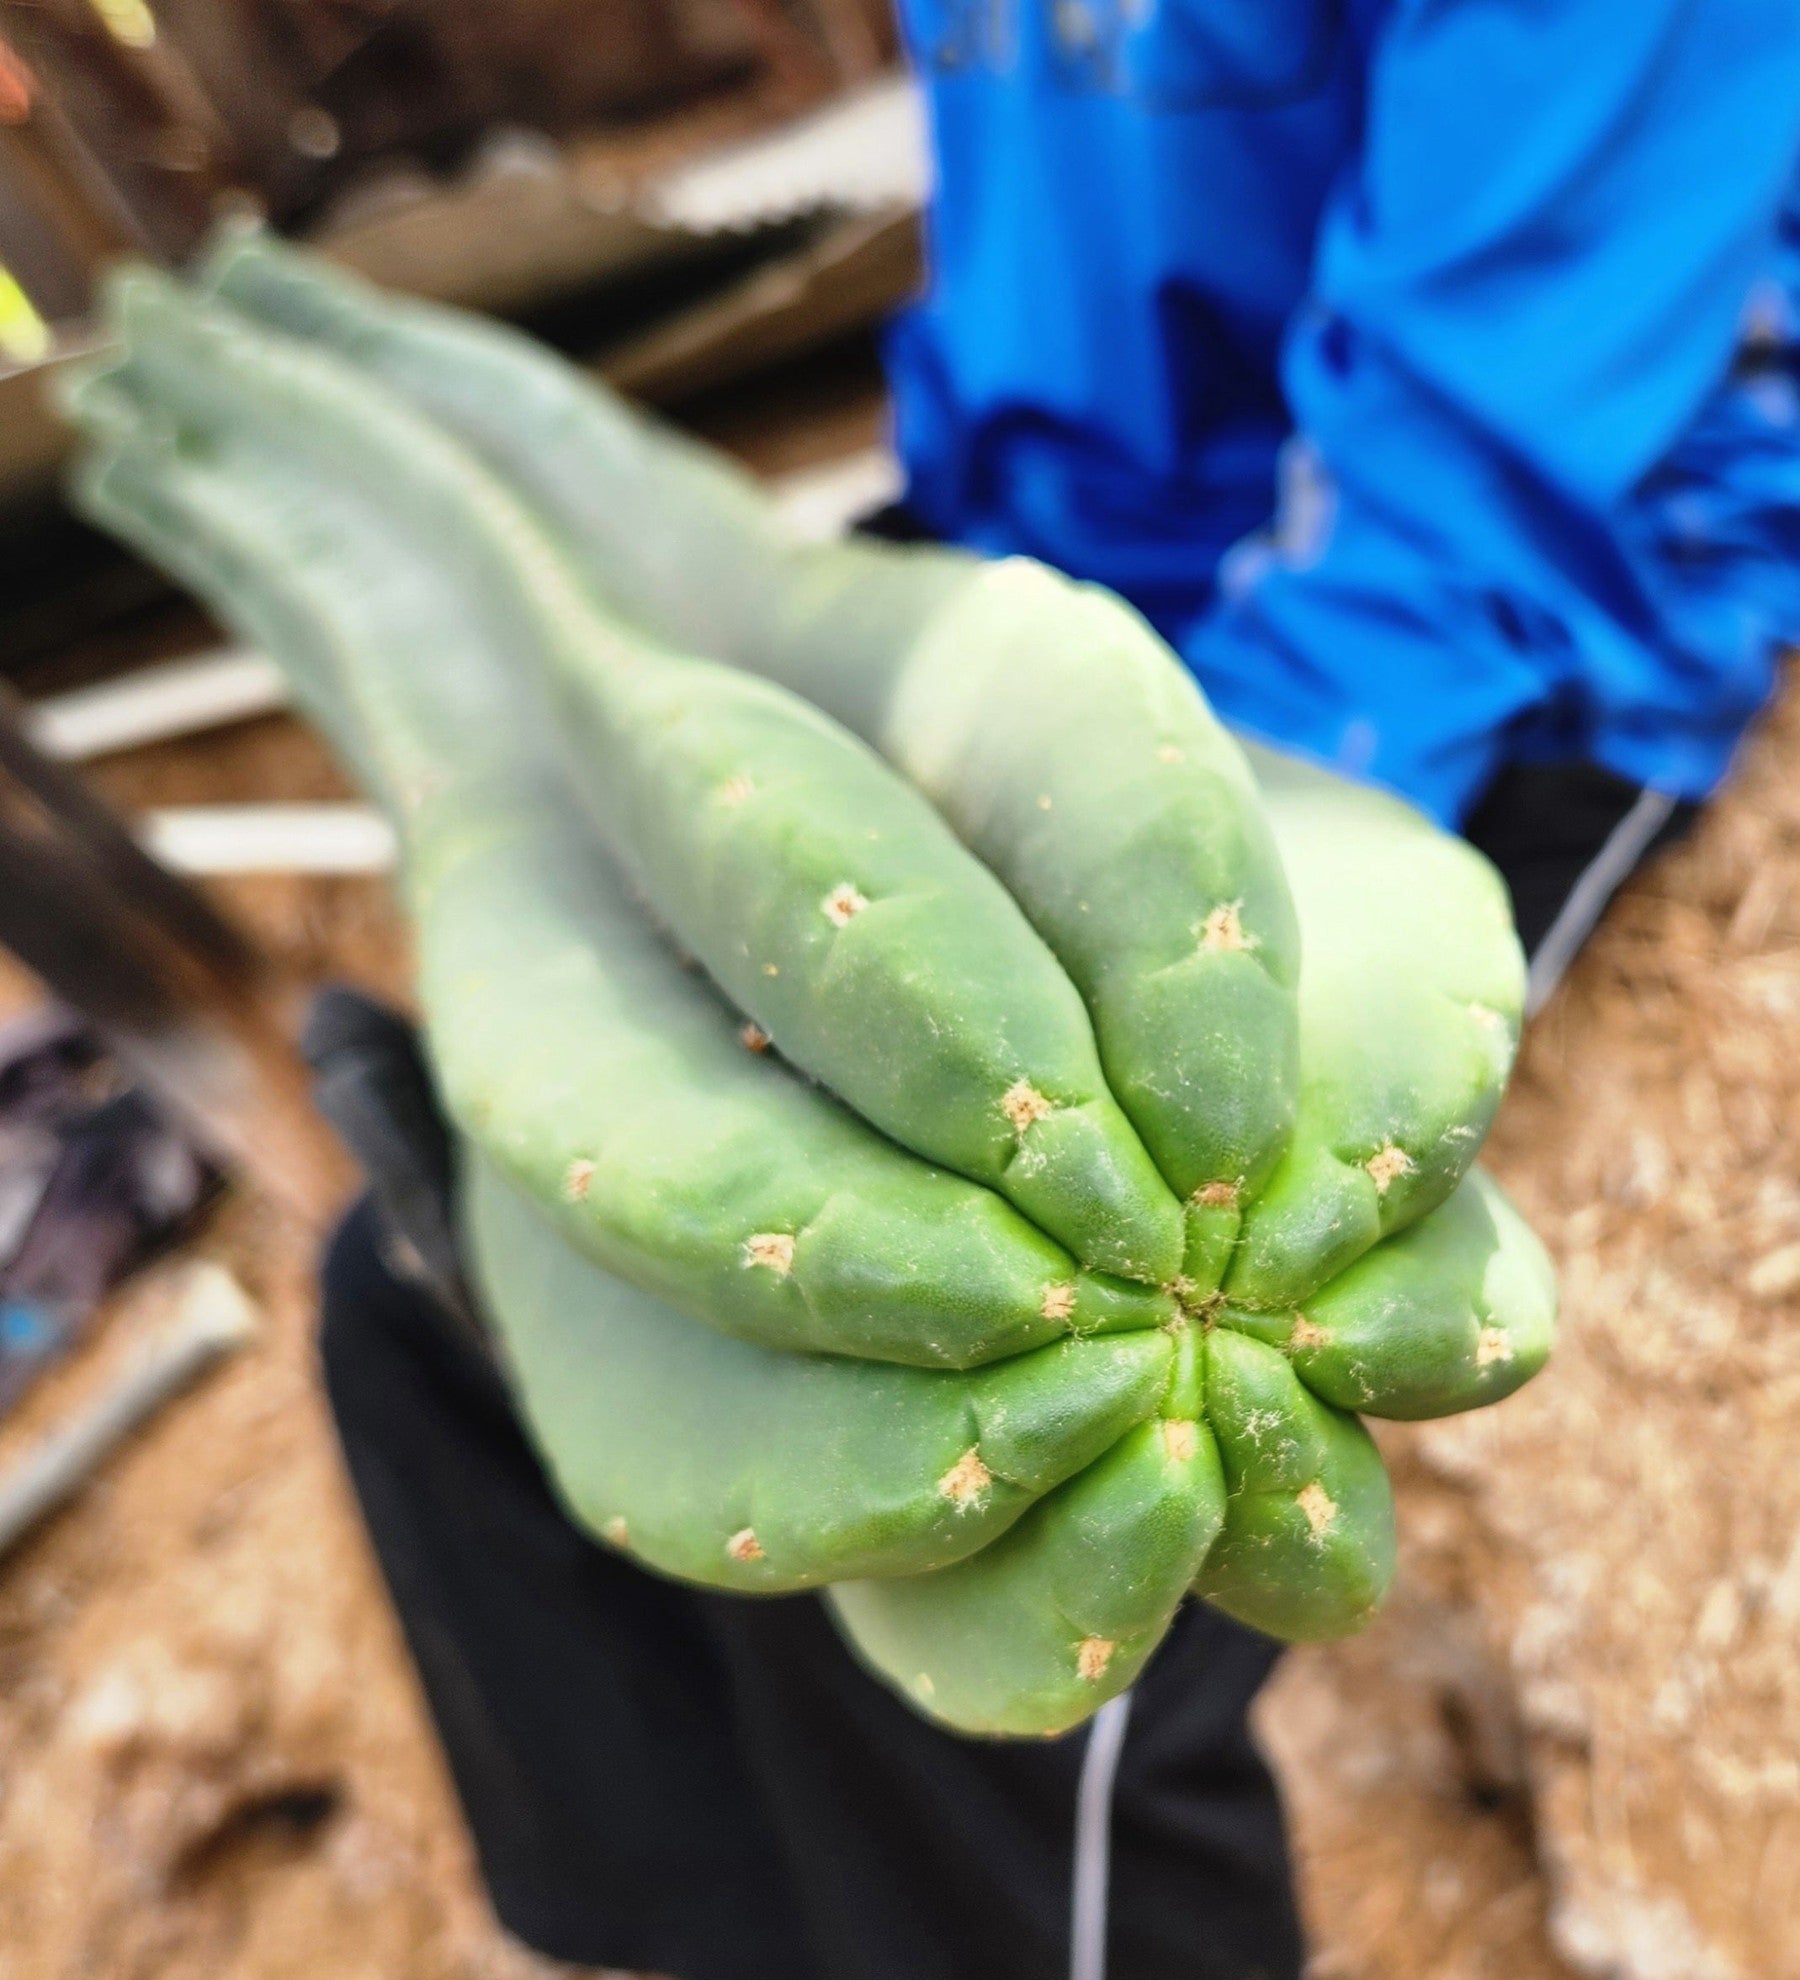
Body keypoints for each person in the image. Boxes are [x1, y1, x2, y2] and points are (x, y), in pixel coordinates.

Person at [315, 6, 1800, 1978]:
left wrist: (1117, 895)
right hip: (1080, 553)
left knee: (1030, 1475)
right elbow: (1038, 288)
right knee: (417, 1281)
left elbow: (1473, 484)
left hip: (1476, 618)